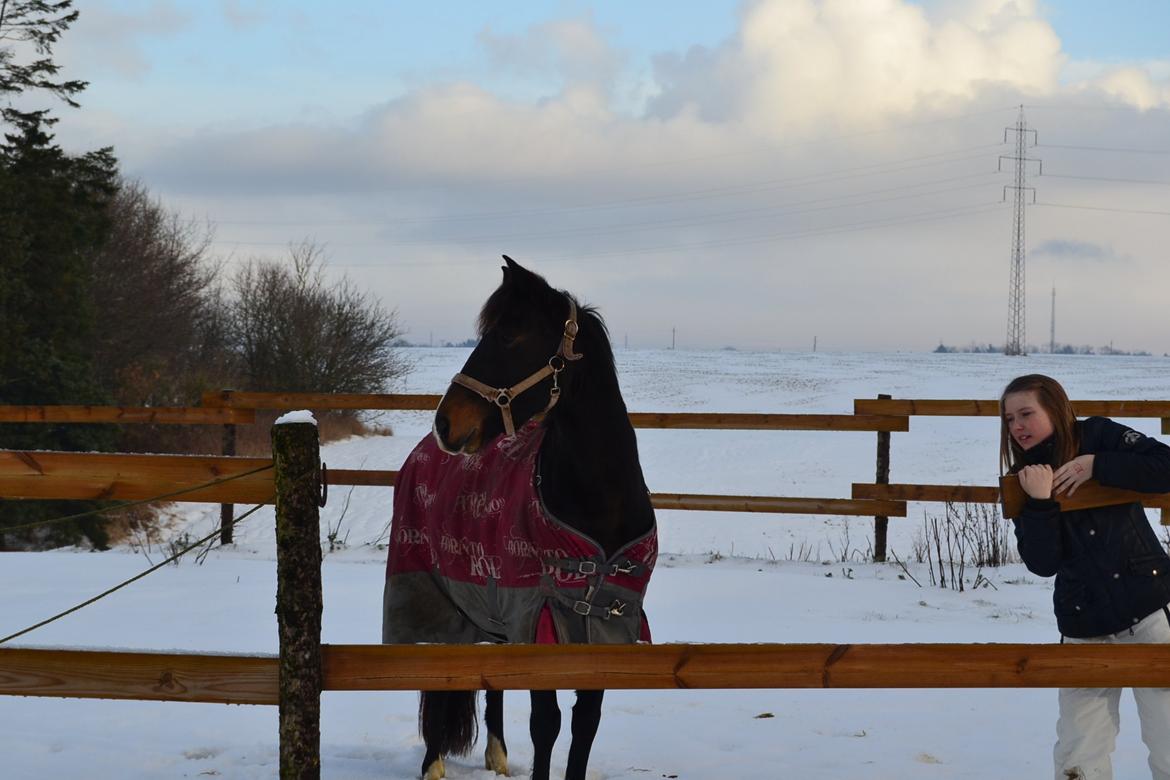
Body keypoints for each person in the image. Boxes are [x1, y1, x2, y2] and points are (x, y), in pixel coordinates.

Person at [1001, 373, 1170, 780]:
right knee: (1080, 748)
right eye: (1009, 419)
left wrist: (1098, 465)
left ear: (1055, 409)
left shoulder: (1098, 435)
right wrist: (1040, 503)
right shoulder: (1024, 479)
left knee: (1168, 733)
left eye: (1026, 413)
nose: (1017, 426)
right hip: (1083, 623)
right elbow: (1042, 563)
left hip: (1147, 610)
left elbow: (1166, 467)